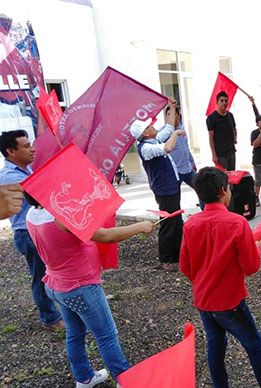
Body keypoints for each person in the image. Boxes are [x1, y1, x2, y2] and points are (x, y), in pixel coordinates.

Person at [25, 193, 154, 388]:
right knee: (106, 335)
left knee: (75, 333)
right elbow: (105, 235)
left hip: (57, 285)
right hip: (81, 287)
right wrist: (139, 227)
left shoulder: (31, 214)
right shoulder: (61, 217)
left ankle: (84, 378)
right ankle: (125, 381)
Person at [180, 167, 261, 388]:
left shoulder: (190, 224)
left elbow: (186, 267)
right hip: (230, 301)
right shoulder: (236, 223)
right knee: (254, 345)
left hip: (204, 300)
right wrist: (257, 248)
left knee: (215, 346)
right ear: (223, 191)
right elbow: (251, 266)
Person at [0, 130, 63, 329]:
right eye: (26, 146)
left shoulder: (26, 170)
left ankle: (57, 309)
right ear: (10, 151)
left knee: (51, 272)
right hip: (26, 232)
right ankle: (50, 318)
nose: (32, 150)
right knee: (41, 276)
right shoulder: (9, 176)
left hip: (37, 228)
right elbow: (39, 192)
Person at [130, 117, 186, 271]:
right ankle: (167, 259)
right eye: (149, 126)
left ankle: (176, 256)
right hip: (164, 189)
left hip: (171, 185)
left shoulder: (153, 141)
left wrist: (171, 106)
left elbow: (167, 128)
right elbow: (168, 147)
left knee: (176, 221)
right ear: (145, 133)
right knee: (168, 223)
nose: (153, 127)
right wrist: (176, 133)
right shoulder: (146, 148)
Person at [157, 101, 197, 188]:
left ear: (178, 116)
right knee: (174, 197)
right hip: (175, 172)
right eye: (168, 114)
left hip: (188, 169)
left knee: (201, 188)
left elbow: (186, 148)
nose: (171, 116)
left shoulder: (182, 129)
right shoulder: (163, 133)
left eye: (173, 114)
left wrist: (192, 162)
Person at [207, 91, 237, 170]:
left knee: (232, 176)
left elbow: (234, 129)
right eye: (222, 100)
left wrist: (235, 138)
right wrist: (214, 155)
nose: (224, 103)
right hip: (220, 155)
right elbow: (211, 137)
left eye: (226, 101)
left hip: (231, 152)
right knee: (221, 178)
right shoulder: (211, 118)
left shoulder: (230, 115)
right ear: (217, 102)